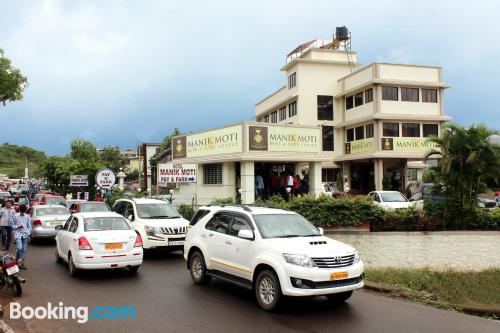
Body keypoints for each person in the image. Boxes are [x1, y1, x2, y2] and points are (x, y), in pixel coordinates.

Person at [12, 204, 31, 269]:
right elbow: (12, 226)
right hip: (18, 234)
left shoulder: (27, 216)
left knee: (24, 249)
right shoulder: (15, 216)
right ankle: (17, 259)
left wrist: (28, 233)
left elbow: (29, 226)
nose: (23, 213)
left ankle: (21, 263)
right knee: (19, 248)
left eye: (24, 212)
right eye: (21, 212)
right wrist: (18, 226)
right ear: (19, 210)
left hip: (25, 235)